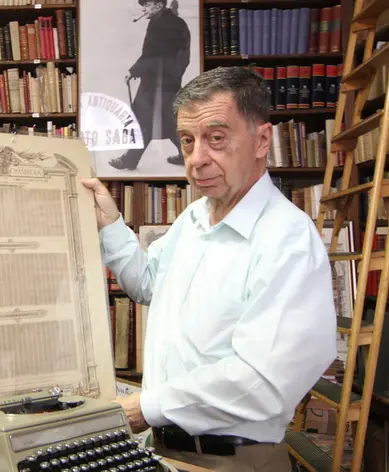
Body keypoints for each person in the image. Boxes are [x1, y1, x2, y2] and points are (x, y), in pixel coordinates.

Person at [83, 66, 337, 471]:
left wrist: (145, 407)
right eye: (188, 141)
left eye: (216, 139)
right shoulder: (194, 218)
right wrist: (111, 224)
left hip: (233, 460)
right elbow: (149, 285)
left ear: (261, 140)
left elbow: (262, 381)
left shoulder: (287, 239)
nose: (197, 159)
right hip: (165, 449)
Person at [109, 0, 190, 170]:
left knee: (145, 120)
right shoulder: (177, 22)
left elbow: (150, 55)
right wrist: (174, 75)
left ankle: (130, 160)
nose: (144, 9)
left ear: (158, 6)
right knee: (170, 121)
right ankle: (186, 155)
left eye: (146, 5)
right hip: (169, 81)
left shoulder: (158, 24)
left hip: (155, 82)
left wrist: (134, 71)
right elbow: (181, 57)